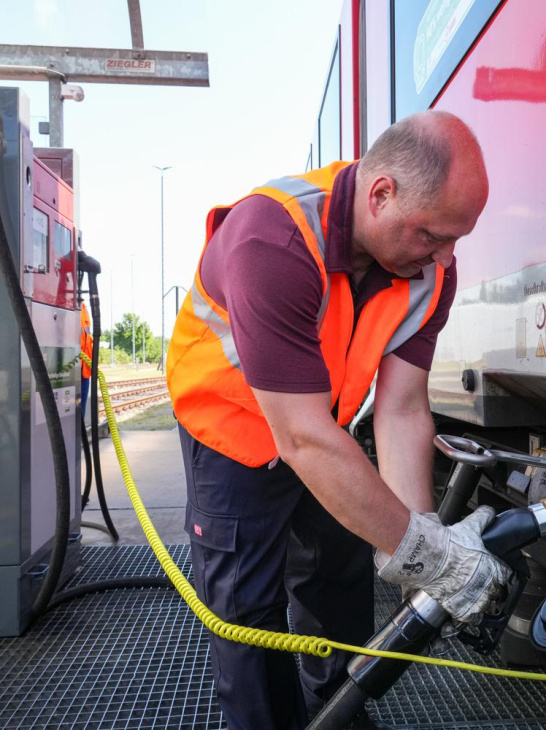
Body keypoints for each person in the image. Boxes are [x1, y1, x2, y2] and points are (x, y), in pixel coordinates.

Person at [166, 110, 510, 730]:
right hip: (234, 433)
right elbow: (299, 437)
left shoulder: (430, 270)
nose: (446, 257)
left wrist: (422, 542)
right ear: (381, 196)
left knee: (337, 580)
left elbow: (402, 408)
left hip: (320, 427)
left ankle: (338, 715)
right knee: (248, 615)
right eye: (434, 235)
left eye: (458, 239)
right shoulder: (273, 239)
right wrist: (431, 557)